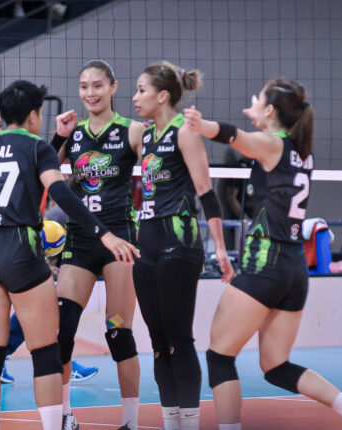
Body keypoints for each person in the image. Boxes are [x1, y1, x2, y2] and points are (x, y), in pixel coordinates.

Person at [0, 79, 138, 430]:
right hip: (19, 248)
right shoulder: (38, 147)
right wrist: (104, 233)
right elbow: (62, 195)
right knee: (45, 351)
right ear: (35, 115)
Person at [184, 78, 342, 430]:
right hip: (294, 268)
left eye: (260, 100)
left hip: (266, 262)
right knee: (276, 366)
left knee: (219, 357)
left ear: (272, 110)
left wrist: (201, 125)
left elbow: (233, 136)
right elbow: (257, 140)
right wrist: (260, 117)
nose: (254, 103)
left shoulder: (272, 145)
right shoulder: (300, 150)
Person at [130, 61, 234, 430]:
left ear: (162, 96)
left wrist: (220, 248)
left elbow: (206, 192)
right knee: (158, 343)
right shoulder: (144, 136)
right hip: (146, 245)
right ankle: (170, 422)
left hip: (179, 242)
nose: (135, 97)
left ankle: (189, 423)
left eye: (141, 90)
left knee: (179, 339)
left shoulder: (185, 132)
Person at [48, 59, 144, 430]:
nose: (90, 93)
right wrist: (59, 135)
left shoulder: (132, 130)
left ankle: (130, 422)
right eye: (85, 86)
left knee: (118, 331)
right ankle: (64, 415)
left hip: (119, 241)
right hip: (80, 238)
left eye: (98, 85)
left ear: (113, 87)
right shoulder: (73, 133)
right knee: (62, 331)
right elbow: (43, 168)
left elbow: (159, 170)